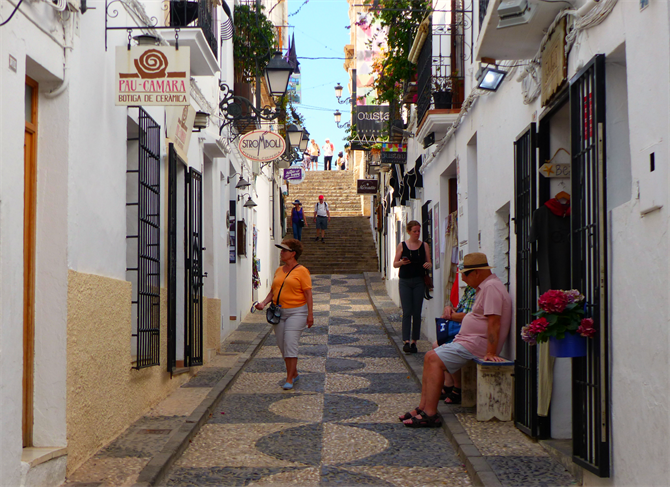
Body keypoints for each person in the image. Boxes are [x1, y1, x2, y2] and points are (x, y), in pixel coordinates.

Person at [399, 253, 512, 427]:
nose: (465, 280)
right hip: (469, 341)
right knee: (430, 356)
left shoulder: (491, 288)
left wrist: (490, 352)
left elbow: (494, 322)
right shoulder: (485, 287)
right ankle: (423, 408)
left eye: (466, 275)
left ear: (476, 273)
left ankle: (430, 413)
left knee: (434, 359)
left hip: (476, 344)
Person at [255, 240, 314, 390]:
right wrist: (263, 303)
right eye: (281, 250)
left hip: (297, 312)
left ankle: (289, 379)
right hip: (279, 312)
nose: (281, 252)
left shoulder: (302, 271)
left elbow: (308, 294)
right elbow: (273, 291)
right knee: (282, 345)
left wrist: (310, 315)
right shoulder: (279, 270)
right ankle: (294, 372)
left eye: (284, 250)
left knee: (290, 343)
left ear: (293, 253)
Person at [393, 220, 431, 354]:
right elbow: (395, 264)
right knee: (407, 311)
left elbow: (429, 262)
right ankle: (406, 341)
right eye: (414, 231)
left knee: (417, 311)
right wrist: (402, 262)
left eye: (419, 231)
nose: (417, 233)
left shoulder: (424, 245)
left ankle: (414, 341)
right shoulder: (402, 245)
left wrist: (428, 265)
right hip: (405, 281)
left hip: (419, 281)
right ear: (408, 232)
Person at [432, 284, 476, 401]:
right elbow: (459, 308)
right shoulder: (469, 289)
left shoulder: (478, 291)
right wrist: (449, 308)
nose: (463, 278)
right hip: (462, 331)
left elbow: (466, 316)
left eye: (464, 274)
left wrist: (450, 316)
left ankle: (457, 386)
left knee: (443, 347)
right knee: (437, 344)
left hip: (469, 334)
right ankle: (449, 383)